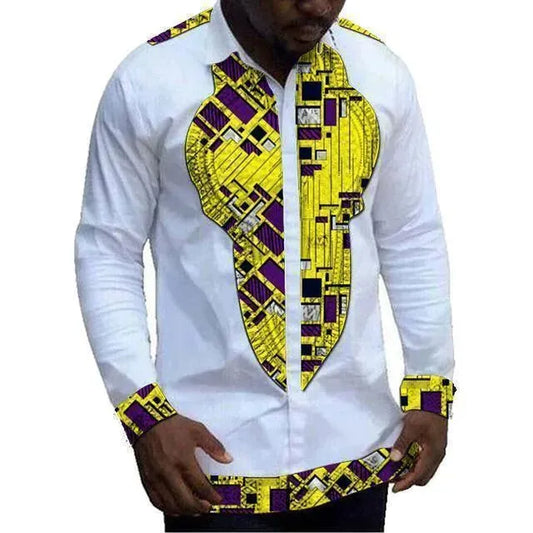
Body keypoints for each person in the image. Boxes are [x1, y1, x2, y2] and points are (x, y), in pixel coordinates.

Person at [74, 0, 457, 531]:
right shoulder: (151, 82)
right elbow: (108, 249)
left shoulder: (380, 76)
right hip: (210, 464)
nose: (318, 5)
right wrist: (143, 414)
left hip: (356, 453)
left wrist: (432, 387)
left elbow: (411, 236)